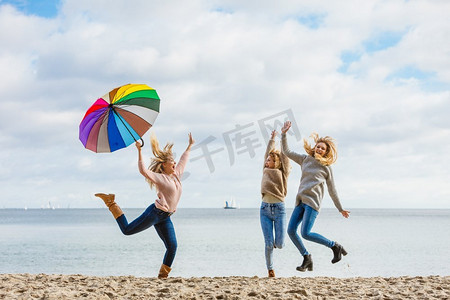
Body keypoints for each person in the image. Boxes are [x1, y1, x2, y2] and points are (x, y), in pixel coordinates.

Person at [95, 132, 195, 278]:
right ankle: (111, 202)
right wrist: (139, 150)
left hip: (166, 217)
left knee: (172, 247)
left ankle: (162, 276)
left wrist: (190, 145)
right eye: (171, 162)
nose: (174, 164)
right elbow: (143, 171)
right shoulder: (160, 178)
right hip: (154, 214)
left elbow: (183, 160)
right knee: (127, 230)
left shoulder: (176, 175)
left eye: (174, 162)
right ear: (163, 165)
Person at [280, 121, 350, 272]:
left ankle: (334, 246)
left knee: (306, 233)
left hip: (312, 204)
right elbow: (286, 151)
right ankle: (307, 258)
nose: (319, 149)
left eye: (322, 148)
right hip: (300, 202)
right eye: (318, 146)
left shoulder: (326, 168)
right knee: (291, 230)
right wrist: (284, 134)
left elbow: (332, 190)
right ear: (314, 147)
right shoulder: (304, 159)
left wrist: (340, 209)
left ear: (326, 152)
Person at [260, 130, 291, 278]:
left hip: (279, 210)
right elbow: (268, 151)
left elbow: (285, 158)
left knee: (279, 244)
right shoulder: (264, 170)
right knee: (268, 244)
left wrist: (283, 136)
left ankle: (274, 244)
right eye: (266, 160)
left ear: (276, 162)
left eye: (270, 160)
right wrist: (272, 139)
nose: (267, 161)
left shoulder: (283, 172)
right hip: (264, 209)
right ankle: (270, 269)